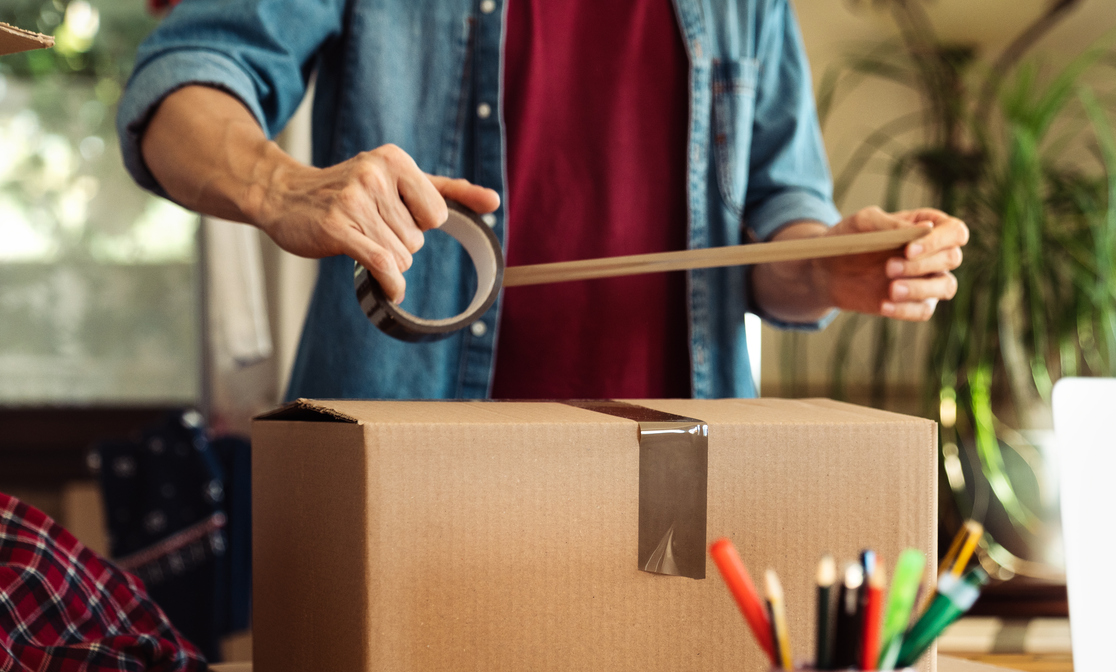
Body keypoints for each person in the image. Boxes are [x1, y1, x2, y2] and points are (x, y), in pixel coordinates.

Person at [118, 0, 967, 401]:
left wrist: (823, 266)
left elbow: (777, 228)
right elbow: (181, 82)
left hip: (677, 493)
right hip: (409, 482)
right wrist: (281, 186)